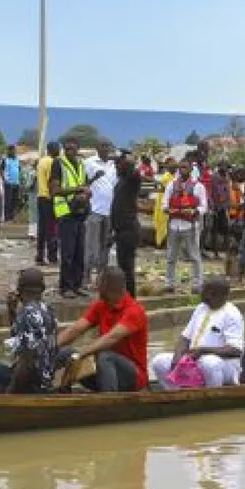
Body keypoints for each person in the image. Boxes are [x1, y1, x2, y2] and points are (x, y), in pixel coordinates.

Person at [56, 267, 149, 392]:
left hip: (133, 378)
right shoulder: (101, 305)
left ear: (109, 288)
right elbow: (75, 329)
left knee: (105, 356)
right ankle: (56, 392)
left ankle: (109, 403)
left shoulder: (135, 311)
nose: (96, 287)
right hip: (104, 373)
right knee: (66, 352)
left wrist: (80, 354)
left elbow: (111, 338)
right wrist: (48, 349)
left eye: (99, 284)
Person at [150, 277, 244, 389]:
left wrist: (202, 351)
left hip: (223, 364)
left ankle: (212, 397)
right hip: (194, 360)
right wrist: (177, 358)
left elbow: (235, 350)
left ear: (213, 294)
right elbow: (184, 338)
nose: (200, 292)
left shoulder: (232, 314)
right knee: (159, 361)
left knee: (210, 363)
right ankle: (176, 395)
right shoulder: (201, 308)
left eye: (204, 290)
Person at [50, 137, 91, 298]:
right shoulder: (58, 164)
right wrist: (76, 190)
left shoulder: (81, 165)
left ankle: (77, 284)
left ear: (78, 149)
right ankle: (65, 287)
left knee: (79, 252)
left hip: (80, 212)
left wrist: (86, 193)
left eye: (72, 149)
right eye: (66, 149)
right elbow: (54, 190)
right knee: (67, 253)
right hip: (66, 212)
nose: (69, 152)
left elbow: (85, 185)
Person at [163, 162, 208, 293]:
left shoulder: (198, 186)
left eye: (185, 167)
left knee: (194, 256)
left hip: (190, 226)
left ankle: (197, 284)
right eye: (181, 167)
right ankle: (169, 283)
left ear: (190, 169)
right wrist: (168, 210)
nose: (183, 169)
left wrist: (194, 211)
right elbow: (164, 203)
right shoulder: (171, 185)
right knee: (171, 255)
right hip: (174, 225)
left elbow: (204, 206)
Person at [111, 151, 143, 297]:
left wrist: (128, 160)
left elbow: (135, 174)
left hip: (129, 229)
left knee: (127, 268)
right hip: (120, 230)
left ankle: (131, 299)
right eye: (116, 164)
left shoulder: (132, 180)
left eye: (119, 164)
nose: (116, 166)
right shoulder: (120, 183)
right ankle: (125, 298)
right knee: (122, 267)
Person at [84, 140, 117, 283]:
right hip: (94, 210)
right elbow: (83, 183)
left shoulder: (113, 165)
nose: (105, 149)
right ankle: (86, 275)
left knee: (105, 245)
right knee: (91, 244)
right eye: (102, 146)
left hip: (109, 211)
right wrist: (93, 178)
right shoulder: (89, 163)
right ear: (97, 148)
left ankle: (101, 276)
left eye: (107, 146)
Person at [35, 141, 60, 266]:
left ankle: (39, 256)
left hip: (41, 196)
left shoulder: (41, 161)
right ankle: (52, 256)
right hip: (49, 197)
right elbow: (52, 181)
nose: (60, 151)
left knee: (42, 228)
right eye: (58, 149)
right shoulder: (52, 162)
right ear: (53, 149)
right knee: (52, 228)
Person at [208, 164, 232, 259]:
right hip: (215, 208)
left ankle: (227, 253)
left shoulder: (227, 178)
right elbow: (210, 193)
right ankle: (215, 253)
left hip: (223, 208)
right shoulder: (214, 177)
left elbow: (227, 193)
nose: (225, 169)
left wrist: (227, 206)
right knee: (215, 230)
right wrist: (212, 206)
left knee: (226, 230)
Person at [153, 159, 177, 249]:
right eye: (173, 167)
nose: (175, 169)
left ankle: (164, 244)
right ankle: (159, 244)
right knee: (162, 223)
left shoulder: (173, 176)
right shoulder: (167, 177)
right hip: (163, 202)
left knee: (167, 224)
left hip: (169, 202)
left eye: (175, 167)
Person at [1, 145, 22, 222]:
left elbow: (19, 170)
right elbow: (1, 170)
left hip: (16, 183)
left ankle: (13, 217)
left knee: (15, 201)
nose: (14, 152)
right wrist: (4, 179)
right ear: (9, 151)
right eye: (12, 150)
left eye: (15, 150)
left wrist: (20, 180)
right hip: (8, 183)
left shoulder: (17, 160)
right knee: (8, 201)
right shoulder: (5, 160)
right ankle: (7, 217)